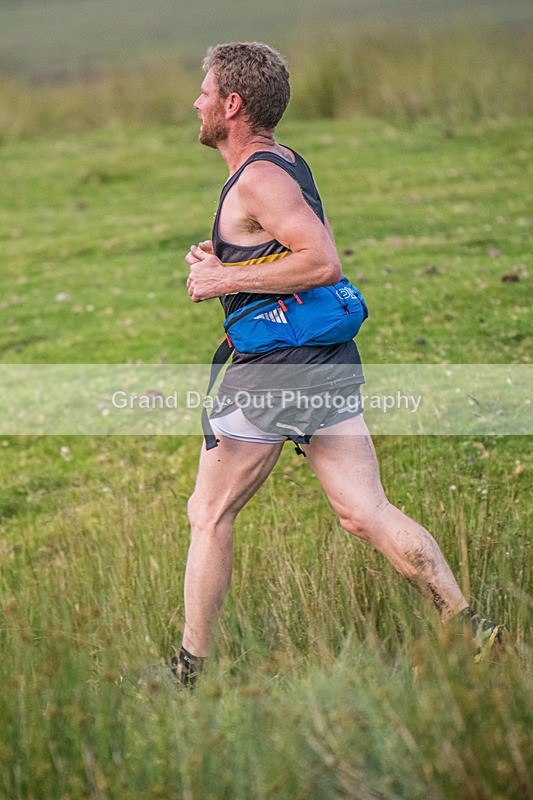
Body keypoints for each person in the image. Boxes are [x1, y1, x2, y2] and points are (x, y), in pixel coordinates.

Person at [173, 42, 502, 687]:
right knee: (364, 511)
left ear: (232, 104)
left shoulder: (259, 177)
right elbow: (283, 245)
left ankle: (190, 676)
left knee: (208, 515)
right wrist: (227, 261)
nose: (198, 101)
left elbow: (322, 262)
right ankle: (473, 633)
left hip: (274, 367)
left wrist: (217, 282)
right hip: (324, 359)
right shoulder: (284, 164)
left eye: (206, 91)